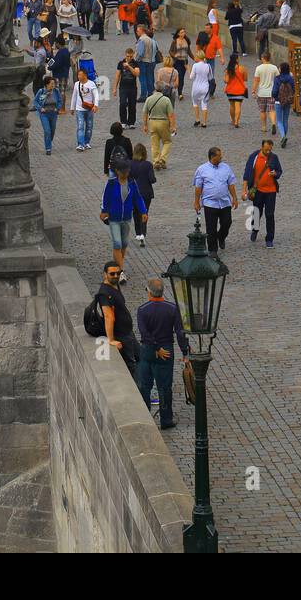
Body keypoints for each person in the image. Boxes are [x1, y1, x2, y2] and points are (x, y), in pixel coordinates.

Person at [135, 277, 189, 430]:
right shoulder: (172, 308)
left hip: (148, 350)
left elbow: (144, 333)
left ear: (148, 291)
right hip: (166, 349)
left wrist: (155, 347)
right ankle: (166, 419)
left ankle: (145, 418)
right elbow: (179, 332)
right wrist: (185, 352)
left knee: (145, 385)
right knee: (164, 387)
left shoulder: (143, 310)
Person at [100, 158, 147, 281]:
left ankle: (116, 265)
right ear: (117, 171)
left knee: (124, 244)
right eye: (123, 171)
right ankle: (120, 271)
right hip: (114, 218)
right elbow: (105, 197)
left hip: (126, 218)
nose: (126, 173)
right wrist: (104, 210)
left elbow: (138, 198)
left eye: (127, 171)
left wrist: (143, 211)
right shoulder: (111, 183)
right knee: (117, 243)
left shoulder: (132, 183)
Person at [193, 145, 239, 254]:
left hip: (225, 202)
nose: (221, 157)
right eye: (219, 156)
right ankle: (213, 250)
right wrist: (196, 202)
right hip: (210, 203)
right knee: (211, 228)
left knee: (227, 222)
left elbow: (231, 184)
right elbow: (198, 187)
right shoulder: (202, 169)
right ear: (212, 157)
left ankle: (221, 237)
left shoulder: (226, 167)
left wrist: (234, 198)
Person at [93, 262, 138, 372]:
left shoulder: (115, 284)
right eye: (112, 274)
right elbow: (108, 317)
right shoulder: (104, 293)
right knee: (131, 364)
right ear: (105, 274)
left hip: (128, 332)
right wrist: (111, 340)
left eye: (118, 273)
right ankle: (137, 387)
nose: (116, 276)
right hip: (122, 334)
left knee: (139, 358)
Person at [242, 137, 283, 247]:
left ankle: (269, 239)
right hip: (258, 191)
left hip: (271, 191)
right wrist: (244, 190)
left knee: (270, 214)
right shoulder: (254, 157)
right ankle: (255, 229)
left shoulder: (274, 158)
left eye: (270, 149)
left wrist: (275, 174)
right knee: (256, 212)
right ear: (261, 147)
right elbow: (247, 173)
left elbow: (279, 171)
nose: (268, 152)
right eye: (266, 150)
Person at [142, 87, 176, 170]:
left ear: (155, 89)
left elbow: (145, 113)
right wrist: (173, 126)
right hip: (163, 122)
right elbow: (171, 115)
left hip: (152, 122)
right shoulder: (166, 100)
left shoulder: (149, 99)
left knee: (154, 143)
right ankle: (163, 159)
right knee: (167, 141)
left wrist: (145, 125)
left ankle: (156, 161)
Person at [128, 143, 156, 247]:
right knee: (145, 212)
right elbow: (152, 179)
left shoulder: (130, 164)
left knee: (135, 213)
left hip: (134, 192)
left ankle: (138, 233)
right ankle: (143, 233)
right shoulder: (148, 165)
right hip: (146, 193)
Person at [70, 67, 99, 151]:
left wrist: (95, 105)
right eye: (78, 75)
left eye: (80, 75)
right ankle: (80, 144)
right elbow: (74, 96)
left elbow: (96, 95)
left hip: (89, 109)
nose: (79, 76)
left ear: (85, 75)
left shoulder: (91, 84)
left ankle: (87, 142)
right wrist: (72, 107)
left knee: (89, 126)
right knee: (80, 126)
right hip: (79, 109)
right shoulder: (76, 84)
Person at [252, 51, 279, 135]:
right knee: (271, 109)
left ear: (263, 58)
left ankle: (264, 126)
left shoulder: (258, 68)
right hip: (271, 92)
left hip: (261, 93)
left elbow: (256, 80)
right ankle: (273, 123)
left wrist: (253, 90)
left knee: (262, 111)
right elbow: (278, 79)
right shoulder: (274, 68)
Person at [33, 73, 61, 155]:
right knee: (47, 131)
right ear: (46, 84)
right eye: (51, 84)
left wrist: (58, 108)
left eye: (54, 84)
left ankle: (48, 140)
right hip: (44, 114)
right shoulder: (41, 91)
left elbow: (59, 101)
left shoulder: (56, 91)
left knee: (52, 131)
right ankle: (48, 148)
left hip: (53, 113)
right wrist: (40, 108)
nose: (53, 85)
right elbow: (35, 101)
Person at [113, 48, 140, 129]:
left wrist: (129, 66)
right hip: (123, 87)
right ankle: (123, 122)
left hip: (132, 87)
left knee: (132, 105)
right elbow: (117, 76)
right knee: (122, 104)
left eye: (131, 56)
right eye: (128, 56)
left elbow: (137, 74)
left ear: (133, 55)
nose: (129, 58)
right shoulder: (120, 63)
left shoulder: (135, 63)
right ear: (125, 55)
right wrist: (114, 88)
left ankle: (131, 122)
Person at [272, 62, 296, 147]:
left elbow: (274, 91)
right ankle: (284, 137)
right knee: (285, 120)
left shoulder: (277, 78)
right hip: (287, 101)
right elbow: (293, 89)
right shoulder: (290, 78)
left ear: (281, 69)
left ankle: (283, 137)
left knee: (279, 121)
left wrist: (274, 96)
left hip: (278, 101)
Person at [189, 51, 213, 128]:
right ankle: (204, 122)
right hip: (205, 87)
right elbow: (210, 78)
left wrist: (189, 70)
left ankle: (197, 119)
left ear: (198, 57)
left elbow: (191, 77)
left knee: (195, 103)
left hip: (196, 87)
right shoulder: (208, 66)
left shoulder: (195, 65)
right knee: (204, 104)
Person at [134, 24, 158, 100]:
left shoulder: (141, 40)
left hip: (143, 61)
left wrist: (135, 60)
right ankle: (151, 94)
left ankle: (143, 96)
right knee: (150, 78)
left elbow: (140, 53)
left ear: (142, 31)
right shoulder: (152, 40)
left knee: (143, 79)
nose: (136, 32)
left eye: (137, 30)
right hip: (151, 61)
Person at [225, 52, 248, 128]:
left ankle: (232, 120)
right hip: (240, 90)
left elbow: (226, 80)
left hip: (230, 90)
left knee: (232, 106)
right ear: (237, 60)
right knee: (238, 106)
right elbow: (245, 79)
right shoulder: (242, 68)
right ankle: (236, 122)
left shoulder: (228, 69)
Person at [50, 37, 72, 107]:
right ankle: (63, 107)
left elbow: (57, 64)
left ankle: (60, 107)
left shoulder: (61, 52)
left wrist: (50, 67)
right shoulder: (66, 51)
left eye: (55, 43)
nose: (55, 45)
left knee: (60, 92)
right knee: (63, 92)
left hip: (59, 74)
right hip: (65, 73)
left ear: (58, 43)